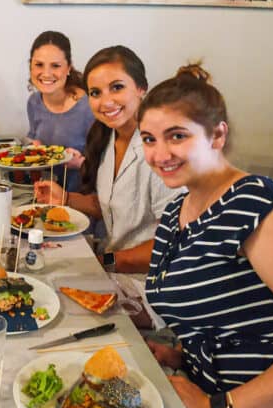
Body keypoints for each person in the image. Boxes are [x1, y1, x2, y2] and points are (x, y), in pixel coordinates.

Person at [140, 64, 273, 408]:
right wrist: (180, 354)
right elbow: (227, 315)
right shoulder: (176, 213)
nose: (160, 154)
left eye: (176, 136)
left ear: (217, 136)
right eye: (148, 139)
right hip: (202, 394)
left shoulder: (261, 204)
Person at [35, 46, 178, 274]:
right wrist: (66, 198)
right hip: (112, 262)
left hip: (148, 279)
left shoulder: (160, 153)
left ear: (141, 88)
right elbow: (110, 206)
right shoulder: (109, 137)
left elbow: (170, 244)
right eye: (95, 93)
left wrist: (103, 262)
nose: (106, 102)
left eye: (117, 88)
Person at [26, 31, 94, 192]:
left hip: (83, 199)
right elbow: (35, 139)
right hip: (45, 194)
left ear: (68, 68)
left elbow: (110, 167)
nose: (46, 73)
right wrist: (33, 146)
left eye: (55, 66)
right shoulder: (34, 102)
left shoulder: (89, 107)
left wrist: (81, 163)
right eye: (39, 64)